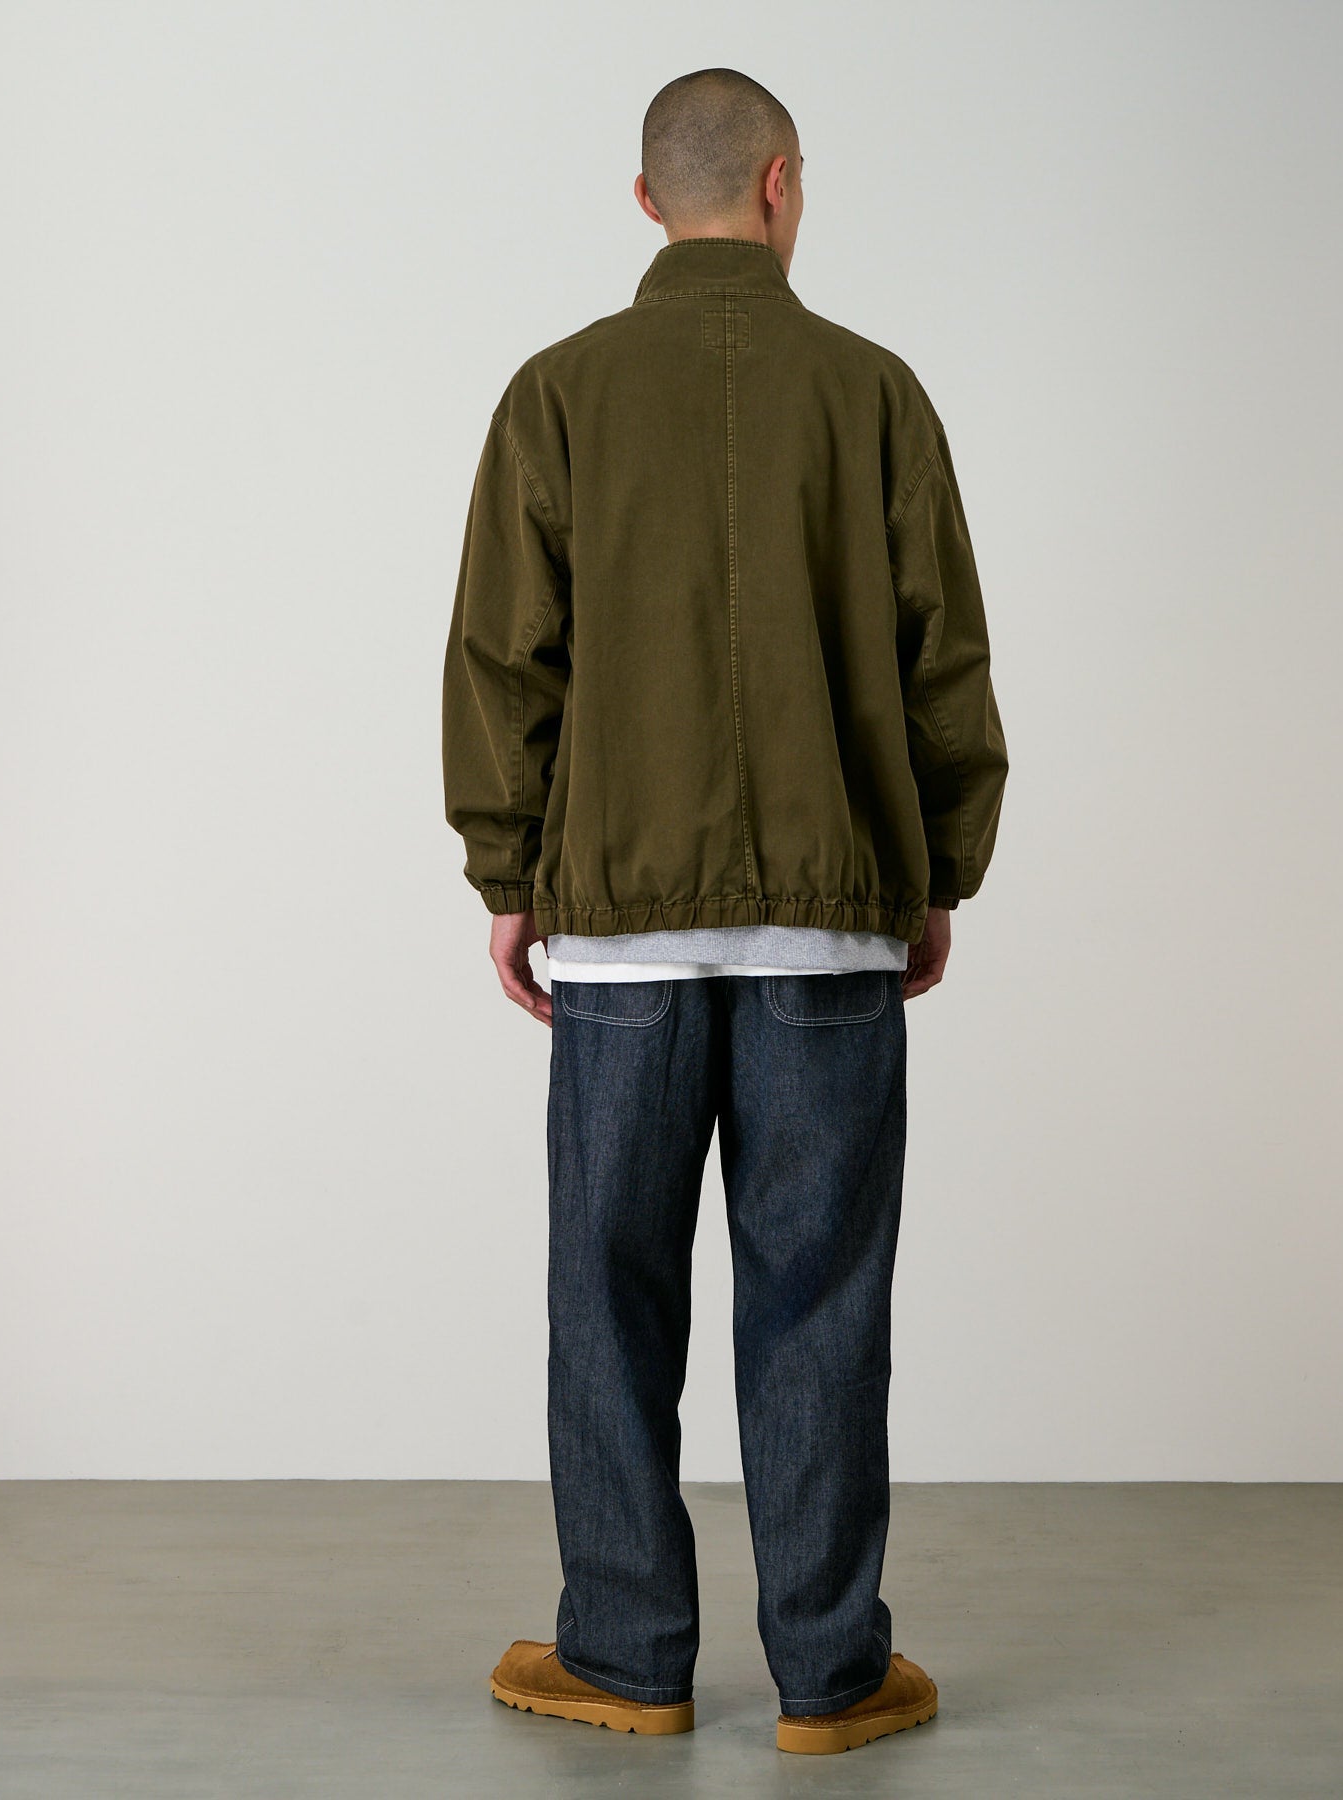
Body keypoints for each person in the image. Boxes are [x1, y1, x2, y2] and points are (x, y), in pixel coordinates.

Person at [441, 66, 1008, 1757]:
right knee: (819, 1297)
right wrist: (933, 872)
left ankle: (627, 1654)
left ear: (647, 200)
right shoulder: (875, 393)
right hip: (832, 927)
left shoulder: (557, 392)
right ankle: (831, 1676)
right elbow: (945, 658)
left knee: (608, 1297)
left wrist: (509, 874)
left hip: (618, 932)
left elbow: (504, 659)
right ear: (782, 185)